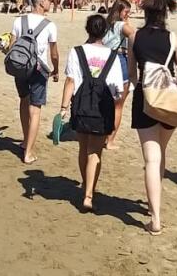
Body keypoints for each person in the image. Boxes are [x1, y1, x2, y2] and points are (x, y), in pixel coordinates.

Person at [127, 0, 177, 235]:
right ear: (165, 13)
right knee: (161, 153)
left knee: (151, 158)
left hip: (145, 97)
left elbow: (132, 74)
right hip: (168, 99)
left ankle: (155, 217)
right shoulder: (173, 38)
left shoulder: (135, 37)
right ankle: (155, 202)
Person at [57, 15, 126, 212]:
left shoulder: (76, 52)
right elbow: (117, 90)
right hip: (102, 109)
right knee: (95, 152)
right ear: (105, 32)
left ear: (87, 29)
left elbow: (70, 81)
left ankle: (85, 184)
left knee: (83, 148)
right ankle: (89, 194)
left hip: (80, 106)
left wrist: (63, 107)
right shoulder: (113, 56)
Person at [8, 0, 59, 164]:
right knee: (35, 109)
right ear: (40, 3)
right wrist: (56, 70)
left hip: (21, 67)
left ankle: (24, 140)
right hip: (39, 69)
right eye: (49, 1)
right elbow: (54, 54)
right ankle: (28, 152)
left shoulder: (18, 20)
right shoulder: (49, 25)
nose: (51, 3)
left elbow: (12, 45)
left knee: (24, 100)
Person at [103, 0, 136, 149]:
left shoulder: (106, 24)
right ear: (119, 11)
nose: (127, 14)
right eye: (126, 12)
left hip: (105, 62)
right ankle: (110, 140)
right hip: (120, 62)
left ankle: (103, 135)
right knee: (118, 105)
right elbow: (134, 35)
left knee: (106, 102)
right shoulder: (122, 26)